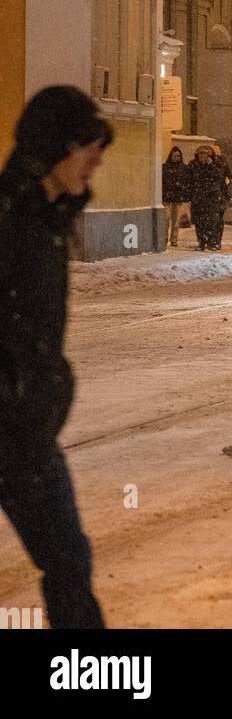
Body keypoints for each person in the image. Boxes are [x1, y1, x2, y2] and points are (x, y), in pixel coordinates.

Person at [0, 85, 113, 628]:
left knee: (68, 558)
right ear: (56, 146)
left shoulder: (46, 223)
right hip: (12, 425)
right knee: (67, 558)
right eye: (88, 145)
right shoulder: (11, 223)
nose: (96, 158)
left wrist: (45, 387)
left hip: (23, 431)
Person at [186, 146, 225, 251]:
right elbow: (188, 179)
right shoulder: (193, 165)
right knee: (199, 222)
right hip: (198, 198)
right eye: (200, 153)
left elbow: (219, 177)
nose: (202, 156)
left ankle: (211, 242)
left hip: (211, 197)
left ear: (209, 155)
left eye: (204, 154)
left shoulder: (214, 165)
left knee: (211, 221)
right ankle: (201, 242)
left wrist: (210, 165)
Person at [161, 144, 189, 246]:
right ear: (171, 156)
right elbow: (163, 181)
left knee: (176, 221)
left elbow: (186, 181)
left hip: (178, 197)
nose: (177, 158)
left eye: (178, 156)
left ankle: (174, 239)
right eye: (175, 155)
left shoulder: (183, 168)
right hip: (167, 196)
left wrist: (183, 191)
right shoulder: (165, 167)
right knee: (166, 218)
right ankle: (164, 238)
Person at [210, 145, 232, 251]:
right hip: (219, 194)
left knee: (217, 218)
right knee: (217, 219)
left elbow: (228, 177)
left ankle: (215, 240)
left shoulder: (220, 164)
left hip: (220, 195)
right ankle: (215, 240)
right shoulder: (223, 164)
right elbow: (228, 177)